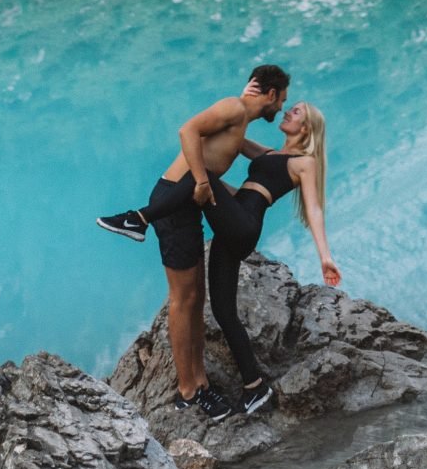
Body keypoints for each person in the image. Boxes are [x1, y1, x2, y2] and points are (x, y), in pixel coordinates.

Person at [102, 100, 340, 419]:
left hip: (244, 226)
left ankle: (138, 218)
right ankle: (255, 385)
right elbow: (233, 134)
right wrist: (244, 100)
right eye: (288, 107)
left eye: (295, 112)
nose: (287, 112)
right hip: (233, 220)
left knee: (202, 176)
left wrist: (325, 256)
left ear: (307, 128)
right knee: (223, 311)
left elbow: (314, 209)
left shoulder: (304, 162)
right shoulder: (269, 154)